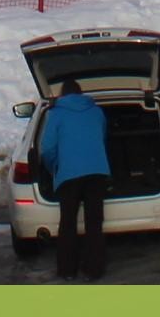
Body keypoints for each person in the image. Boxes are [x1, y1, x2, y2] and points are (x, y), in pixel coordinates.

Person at [34, 80, 113, 281]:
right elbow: (102, 138)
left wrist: (55, 168)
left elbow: (47, 148)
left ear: (62, 95)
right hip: (96, 172)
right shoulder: (96, 112)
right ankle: (94, 269)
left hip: (68, 175)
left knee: (67, 223)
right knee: (94, 223)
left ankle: (67, 270)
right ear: (81, 94)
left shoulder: (56, 114)